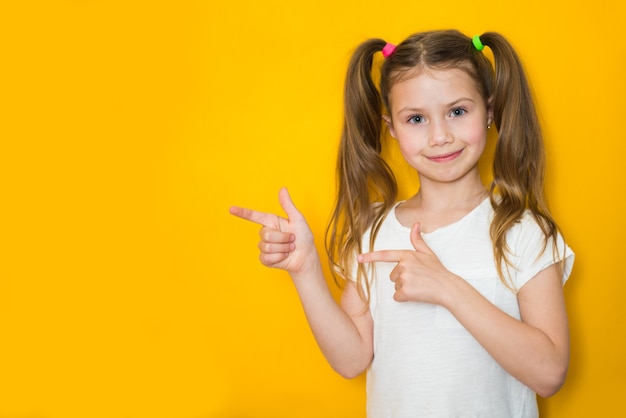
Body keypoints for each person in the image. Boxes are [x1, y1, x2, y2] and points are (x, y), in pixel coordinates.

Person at [229, 29, 574, 417]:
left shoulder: (521, 230)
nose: (440, 136)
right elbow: (351, 360)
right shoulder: (373, 231)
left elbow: (549, 373)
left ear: (489, 111)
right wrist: (306, 270)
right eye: (416, 119)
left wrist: (448, 287)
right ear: (391, 126)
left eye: (457, 111)